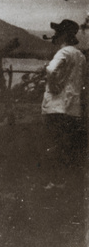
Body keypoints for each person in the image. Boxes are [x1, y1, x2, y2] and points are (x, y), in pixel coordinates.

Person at [41, 19, 86, 167]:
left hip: (56, 106)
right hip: (73, 108)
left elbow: (51, 70)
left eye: (58, 33)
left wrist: (54, 86)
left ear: (64, 36)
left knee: (53, 144)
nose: (55, 35)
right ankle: (63, 182)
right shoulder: (80, 56)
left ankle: (53, 181)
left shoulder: (64, 51)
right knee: (66, 146)